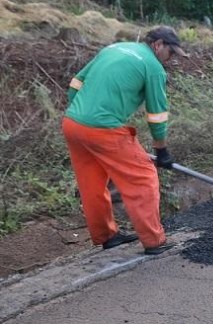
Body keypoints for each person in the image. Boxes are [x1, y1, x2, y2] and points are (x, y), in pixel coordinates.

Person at [62, 26, 188, 255]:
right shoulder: (153, 68)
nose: (171, 60)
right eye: (171, 53)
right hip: (104, 129)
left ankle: (107, 236)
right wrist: (161, 151)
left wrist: (83, 111)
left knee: (92, 183)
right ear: (158, 45)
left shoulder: (114, 49)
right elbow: (157, 115)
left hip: (73, 124)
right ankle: (154, 241)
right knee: (143, 176)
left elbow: (75, 84)